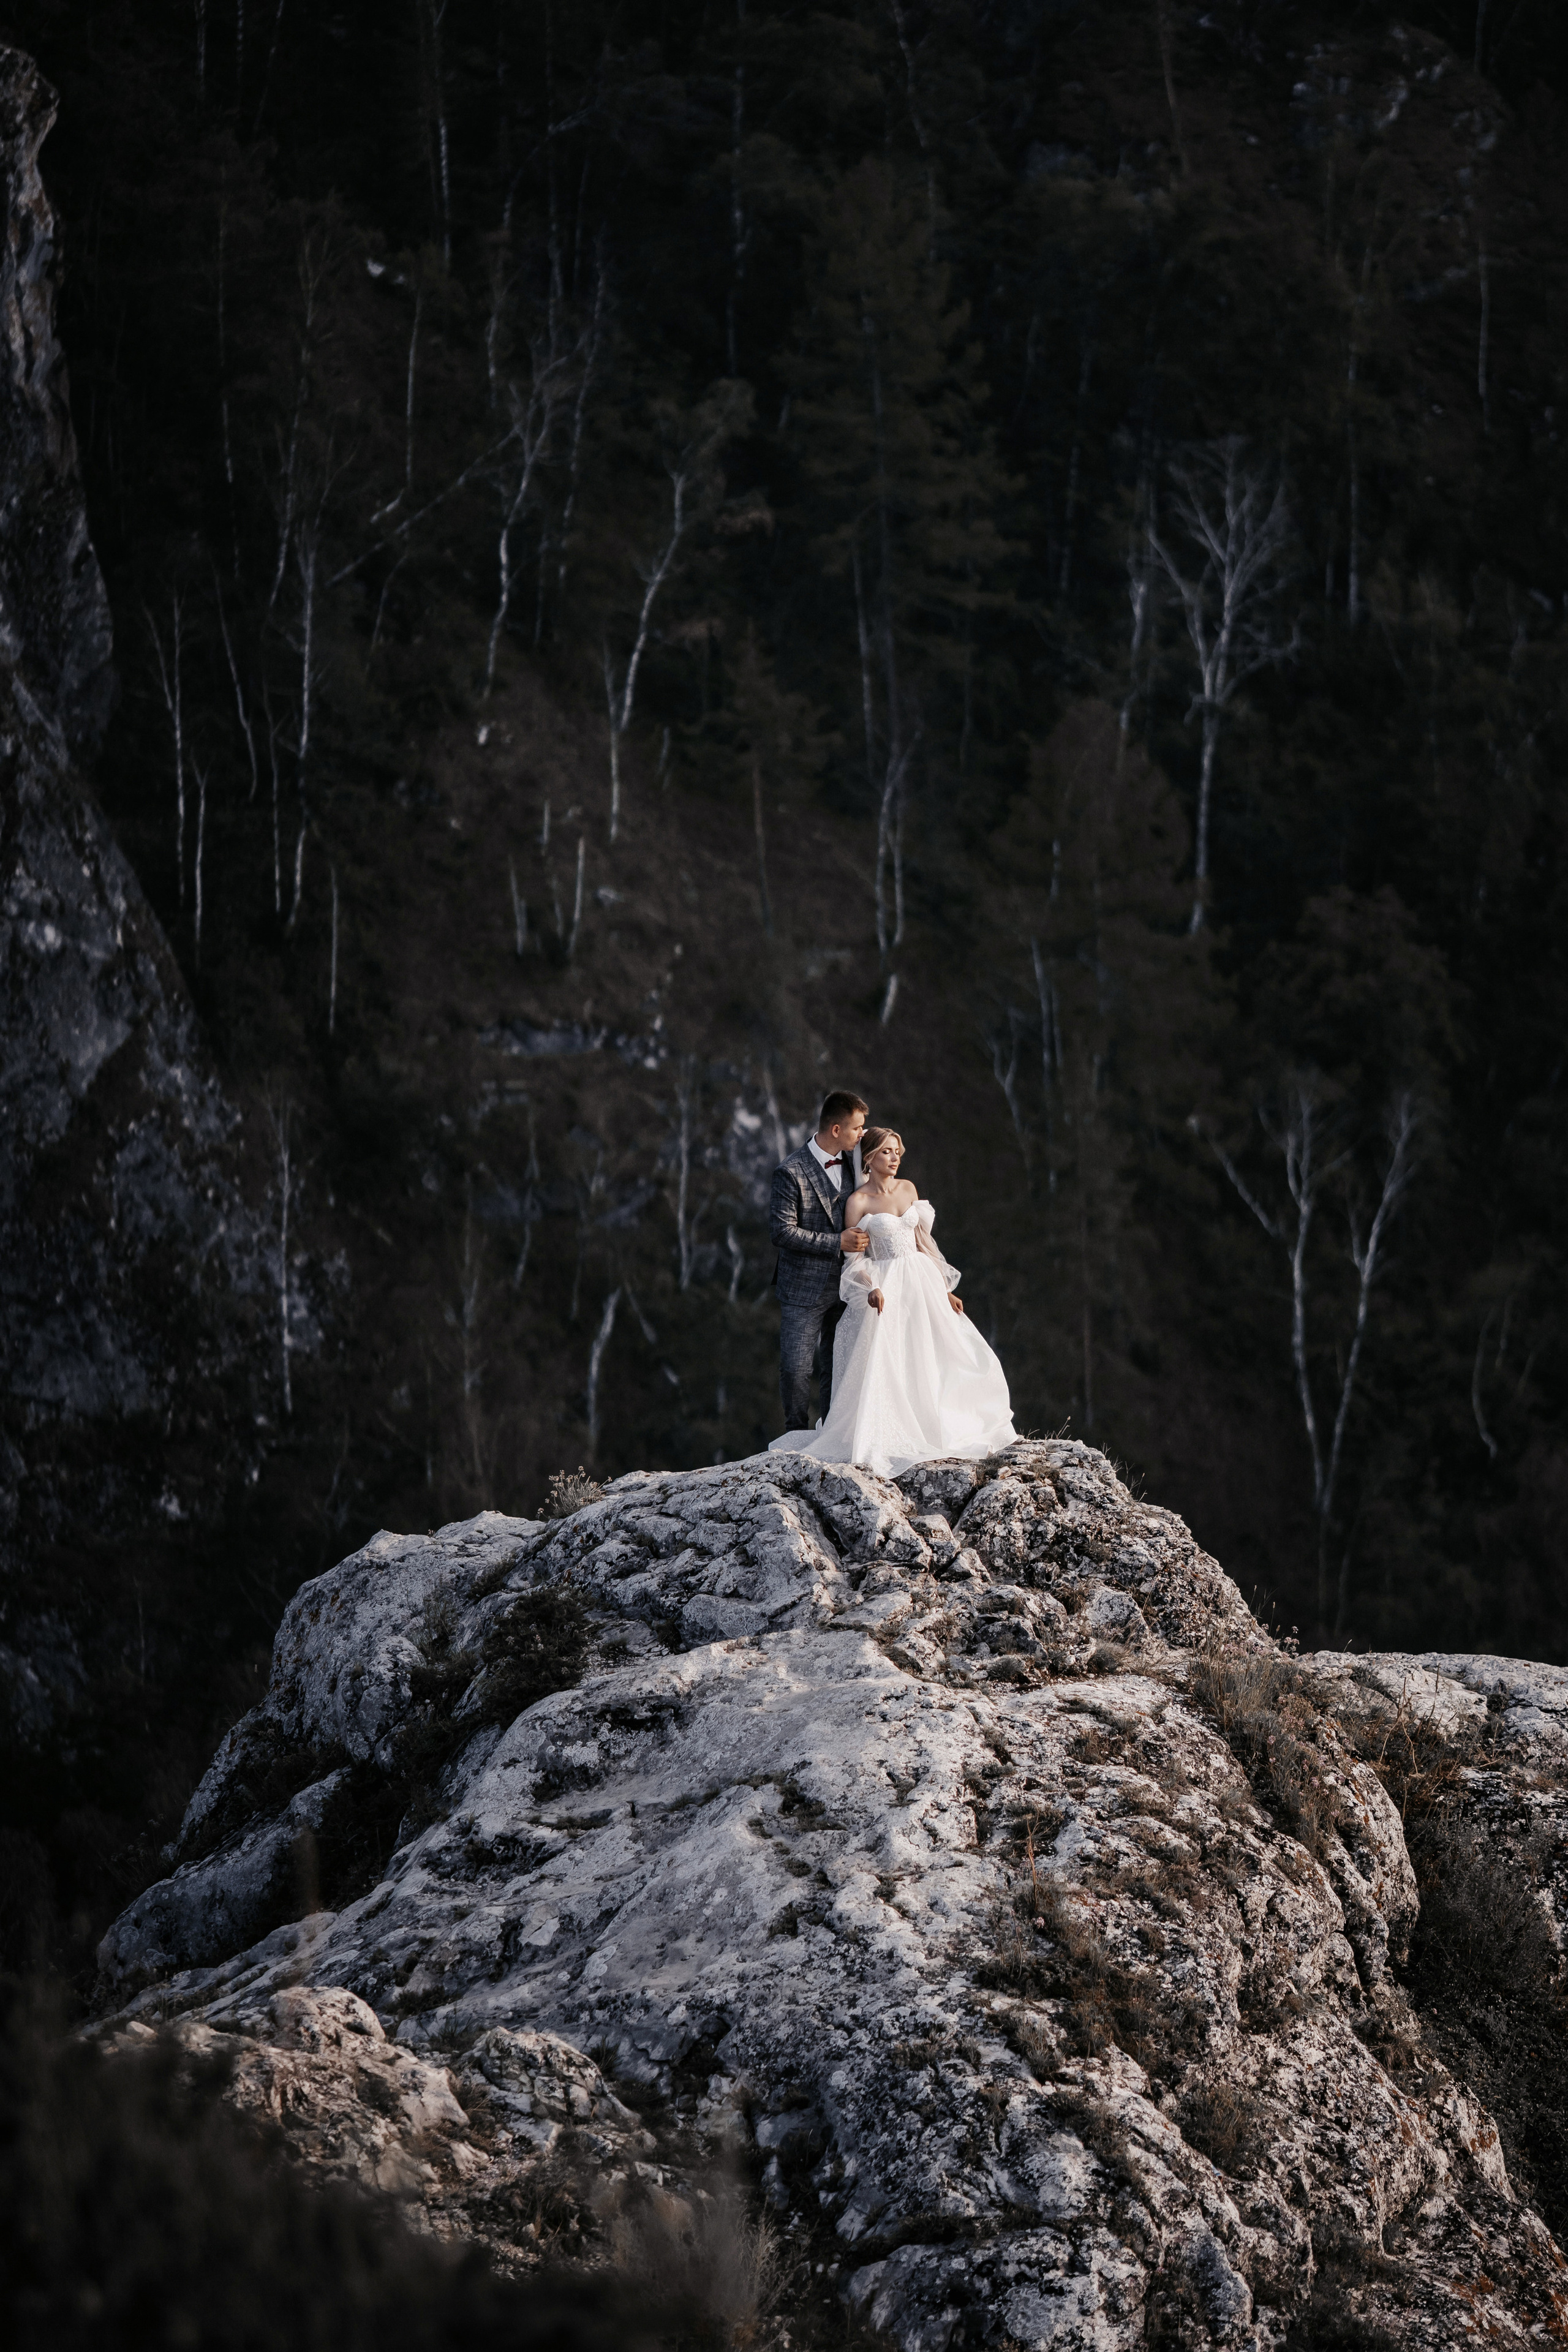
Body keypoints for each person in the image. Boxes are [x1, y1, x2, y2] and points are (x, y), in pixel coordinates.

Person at [770, 1125, 1016, 1477]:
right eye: (887, 1151)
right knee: (890, 1357)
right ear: (869, 1157)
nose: (895, 1158)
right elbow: (854, 1256)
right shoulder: (858, 1202)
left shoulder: (909, 1189)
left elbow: (923, 1241)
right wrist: (869, 1287)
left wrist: (945, 1288)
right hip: (885, 1284)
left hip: (921, 1281)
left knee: (936, 1353)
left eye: (898, 1151)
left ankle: (936, 1420)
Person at [770, 1089, 871, 1431]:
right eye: (858, 1128)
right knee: (796, 1368)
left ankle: (830, 1433)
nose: (863, 1135)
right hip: (802, 1287)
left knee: (837, 1363)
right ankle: (794, 1435)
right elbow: (782, 1232)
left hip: (847, 1285)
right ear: (836, 1130)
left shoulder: (856, 1164)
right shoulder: (790, 1171)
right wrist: (836, 1242)